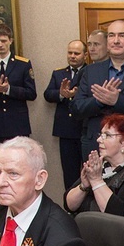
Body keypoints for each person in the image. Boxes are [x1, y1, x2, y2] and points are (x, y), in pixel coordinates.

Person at [72, 20, 124, 167]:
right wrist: (99, 101)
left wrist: (118, 100)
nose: (116, 41)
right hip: (95, 148)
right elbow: (76, 109)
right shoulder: (90, 71)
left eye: (122, 35)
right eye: (112, 36)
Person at [65, 114, 124, 218]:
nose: (99, 139)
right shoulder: (99, 167)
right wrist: (84, 186)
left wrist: (96, 181)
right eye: (101, 134)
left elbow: (121, 214)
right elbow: (69, 206)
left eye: (107, 135)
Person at [0, 25, 36, 156]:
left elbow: (31, 93)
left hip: (18, 124)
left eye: (3, 41)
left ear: (10, 41)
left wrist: (9, 89)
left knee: (22, 161)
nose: (0, 45)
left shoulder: (23, 64)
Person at [44, 40, 87, 189]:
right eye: (70, 53)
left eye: (77, 53)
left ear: (85, 55)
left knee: (89, 172)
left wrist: (78, 94)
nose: (73, 56)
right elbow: (47, 94)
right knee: (69, 173)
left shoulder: (90, 71)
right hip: (66, 130)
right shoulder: (59, 74)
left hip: (84, 128)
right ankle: (71, 208)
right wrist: (61, 95)